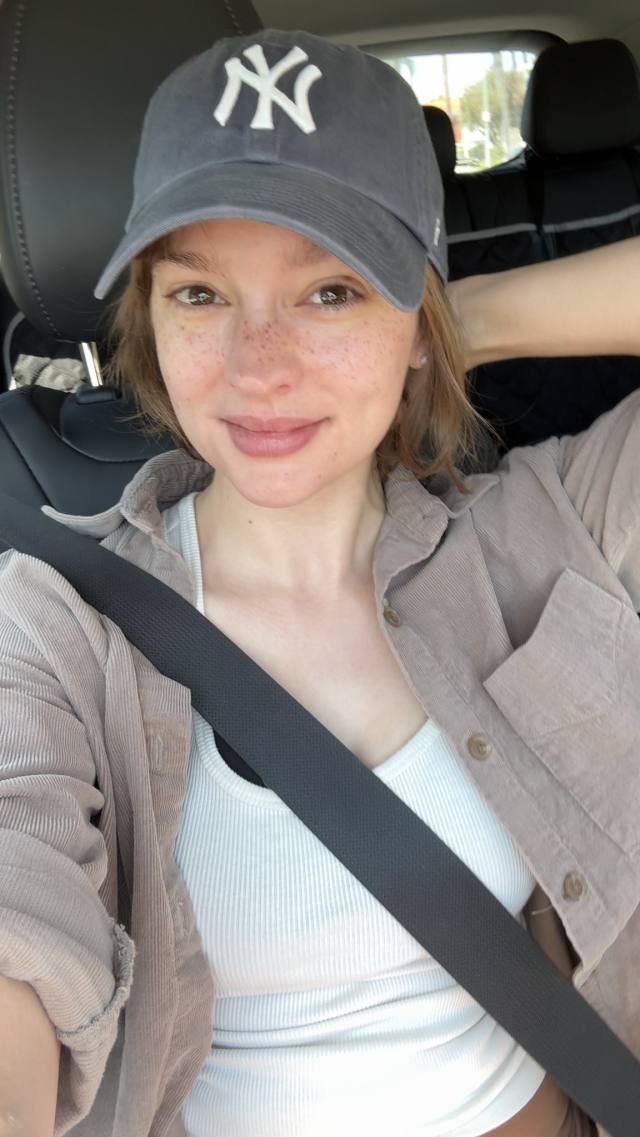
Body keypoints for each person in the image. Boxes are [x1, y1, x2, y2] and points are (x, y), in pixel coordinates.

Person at [0, 27, 638, 1137]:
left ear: (416, 314)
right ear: (149, 317)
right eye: (200, 294)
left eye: (332, 291)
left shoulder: (552, 528)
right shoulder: (56, 625)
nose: (260, 368)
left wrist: (460, 323)